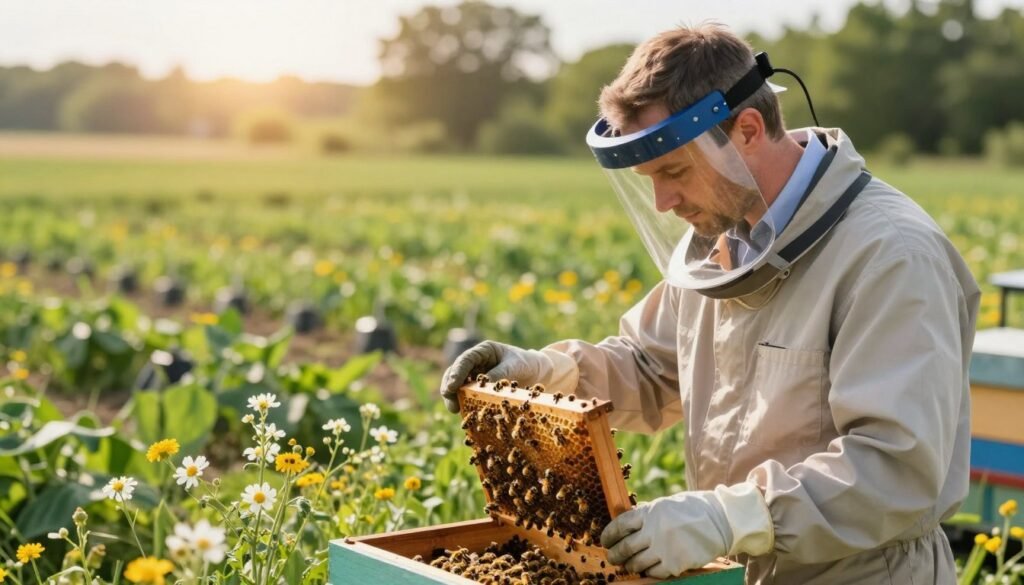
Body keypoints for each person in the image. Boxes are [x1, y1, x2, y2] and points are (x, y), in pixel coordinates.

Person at [440, 23, 979, 584]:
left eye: (674, 171)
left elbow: (895, 469)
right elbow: (650, 367)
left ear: (747, 130)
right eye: (650, 178)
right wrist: (549, 373)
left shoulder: (891, 255)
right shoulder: (729, 242)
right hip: (739, 571)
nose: (664, 200)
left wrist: (729, 517)